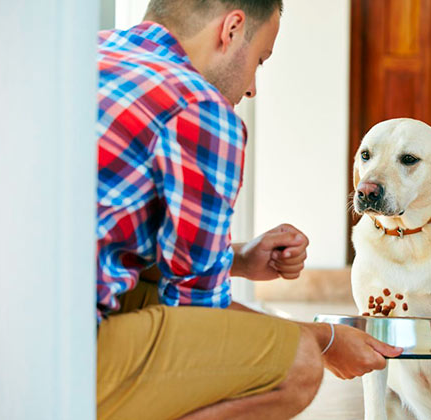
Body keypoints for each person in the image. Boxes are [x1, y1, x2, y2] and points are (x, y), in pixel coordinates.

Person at [95, 1, 402, 419]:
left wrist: (237, 259)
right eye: (260, 59)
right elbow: (196, 318)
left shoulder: (95, 55)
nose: (253, 87)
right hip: (60, 356)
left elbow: (113, 241)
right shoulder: (199, 107)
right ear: (233, 28)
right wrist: (324, 340)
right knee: (298, 364)